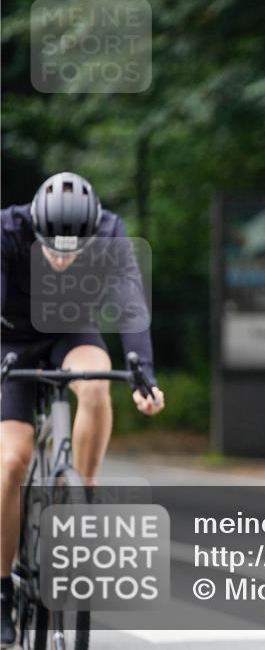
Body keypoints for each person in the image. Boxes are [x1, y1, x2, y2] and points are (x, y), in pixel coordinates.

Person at [0, 172, 165, 646]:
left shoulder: (110, 234)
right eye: (52, 248)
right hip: (11, 338)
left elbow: (130, 303)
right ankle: (4, 589)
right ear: (34, 227)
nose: (61, 258)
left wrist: (145, 374)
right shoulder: (9, 231)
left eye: (73, 250)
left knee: (95, 385)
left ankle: (81, 490)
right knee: (11, 460)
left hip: (71, 332)